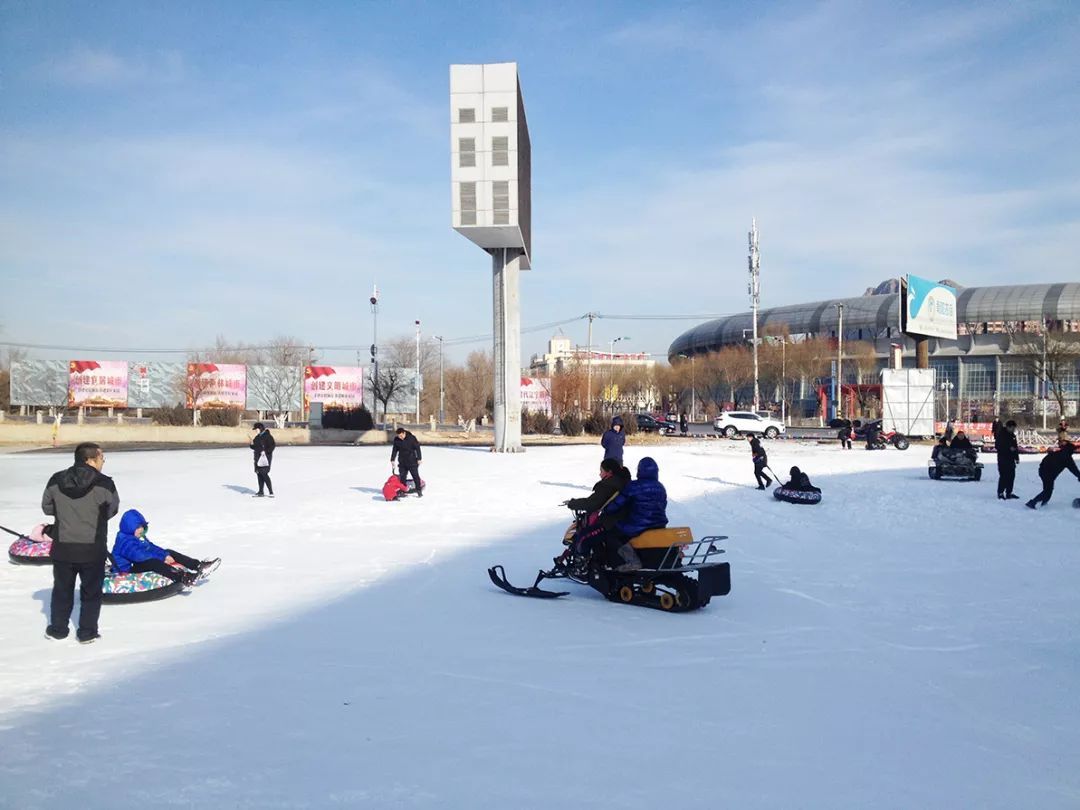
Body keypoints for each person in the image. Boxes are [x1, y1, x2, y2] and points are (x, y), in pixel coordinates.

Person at [43, 442, 119, 644]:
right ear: (90, 459)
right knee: (91, 593)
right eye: (102, 457)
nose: (103, 461)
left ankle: (58, 630)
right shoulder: (105, 483)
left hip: (63, 549)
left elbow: (47, 507)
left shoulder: (56, 480)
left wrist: (68, 515)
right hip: (92, 550)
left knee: (62, 590)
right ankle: (87, 633)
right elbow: (112, 509)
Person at [584, 456, 667, 571]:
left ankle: (631, 560)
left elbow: (618, 503)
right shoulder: (661, 487)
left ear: (639, 471)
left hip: (639, 525)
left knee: (612, 533)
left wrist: (606, 509)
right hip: (659, 524)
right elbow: (663, 505)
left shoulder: (634, 486)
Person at [111, 509, 219, 586]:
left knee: (168, 552)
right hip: (125, 570)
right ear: (129, 527)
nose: (141, 530)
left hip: (135, 564)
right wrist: (162, 559)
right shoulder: (124, 541)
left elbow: (151, 548)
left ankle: (198, 566)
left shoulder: (136, 537)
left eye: (142, 527)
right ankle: (183, 577)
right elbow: (140, 556)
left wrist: (165, 555)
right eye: (138, 527)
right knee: (152, 562)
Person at [1026, 440, 1080, 509]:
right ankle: (1033, 502)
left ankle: (1043, 504)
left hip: (1043, 471)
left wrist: (1042, 469)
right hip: (1049, 474)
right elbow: (1073, 469)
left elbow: (1044, 460)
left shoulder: (1056, 453)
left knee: (1048, 490)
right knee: (1047, 491)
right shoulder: (1067, 458)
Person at [391, 427, 423, 496]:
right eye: (398, 436)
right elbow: (395, 450)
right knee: (402, 477)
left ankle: (418, 490)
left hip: (412, 461)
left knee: (415, 476)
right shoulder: (396, 440)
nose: (400, 437)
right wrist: (392, 459)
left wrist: (419, 458)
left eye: (401, 435)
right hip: (402, 461)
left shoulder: (411, 438)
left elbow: (417, 448)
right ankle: (403, 491)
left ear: (404, 433)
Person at [996, 420, 1020, 500]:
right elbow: (998, 446)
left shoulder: (1013, 435)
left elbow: (1015, 447)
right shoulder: (1001, 434)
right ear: (1008, 427)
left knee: (1011, 476)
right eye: (1012, 428)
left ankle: (1009, 492)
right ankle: (1000, 492)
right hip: (1003, 458)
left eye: (1014, 428)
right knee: (1004, 476)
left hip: (1011, 459)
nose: (1013, 430)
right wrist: (1008, 448)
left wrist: (1016, 457)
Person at [250, 422, 275, 498]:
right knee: (259, 473)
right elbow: (254, 447)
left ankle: (271, 492)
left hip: (265, 459)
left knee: (264, 473)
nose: (255, 431)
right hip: (257, 458)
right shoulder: (257, 437)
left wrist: (266, 451)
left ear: (260, 428)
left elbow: (272, 446)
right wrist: (251, 444)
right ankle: (261, 491)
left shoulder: (268, 436)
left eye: (256, 429)